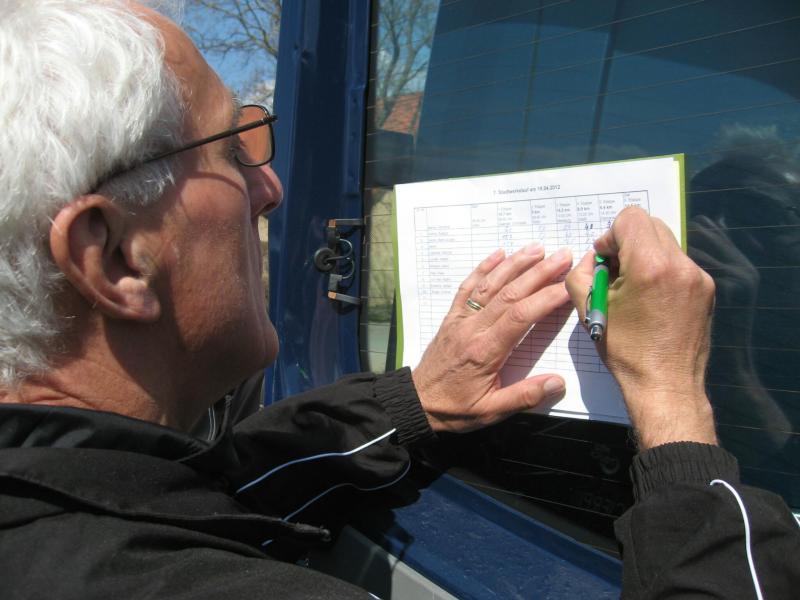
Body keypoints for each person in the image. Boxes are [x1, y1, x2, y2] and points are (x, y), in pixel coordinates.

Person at [0, 2, 796, 599]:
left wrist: (420, 399)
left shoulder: (60, 494)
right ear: (114, 257)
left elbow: (224, 485)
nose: (271, 188)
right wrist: (675, 409)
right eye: (232, 151)